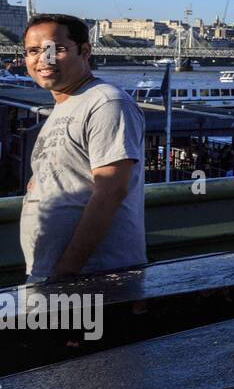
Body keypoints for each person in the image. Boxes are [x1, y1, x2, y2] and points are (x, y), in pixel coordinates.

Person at [20, 14, 146, 282]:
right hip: (51, 276)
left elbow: (111, 190)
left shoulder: (106, 103)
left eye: (58, 49)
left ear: (85, 51)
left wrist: (65, 271)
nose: (44, 58)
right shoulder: (64, 107)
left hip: (92, 279)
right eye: (33, 51)